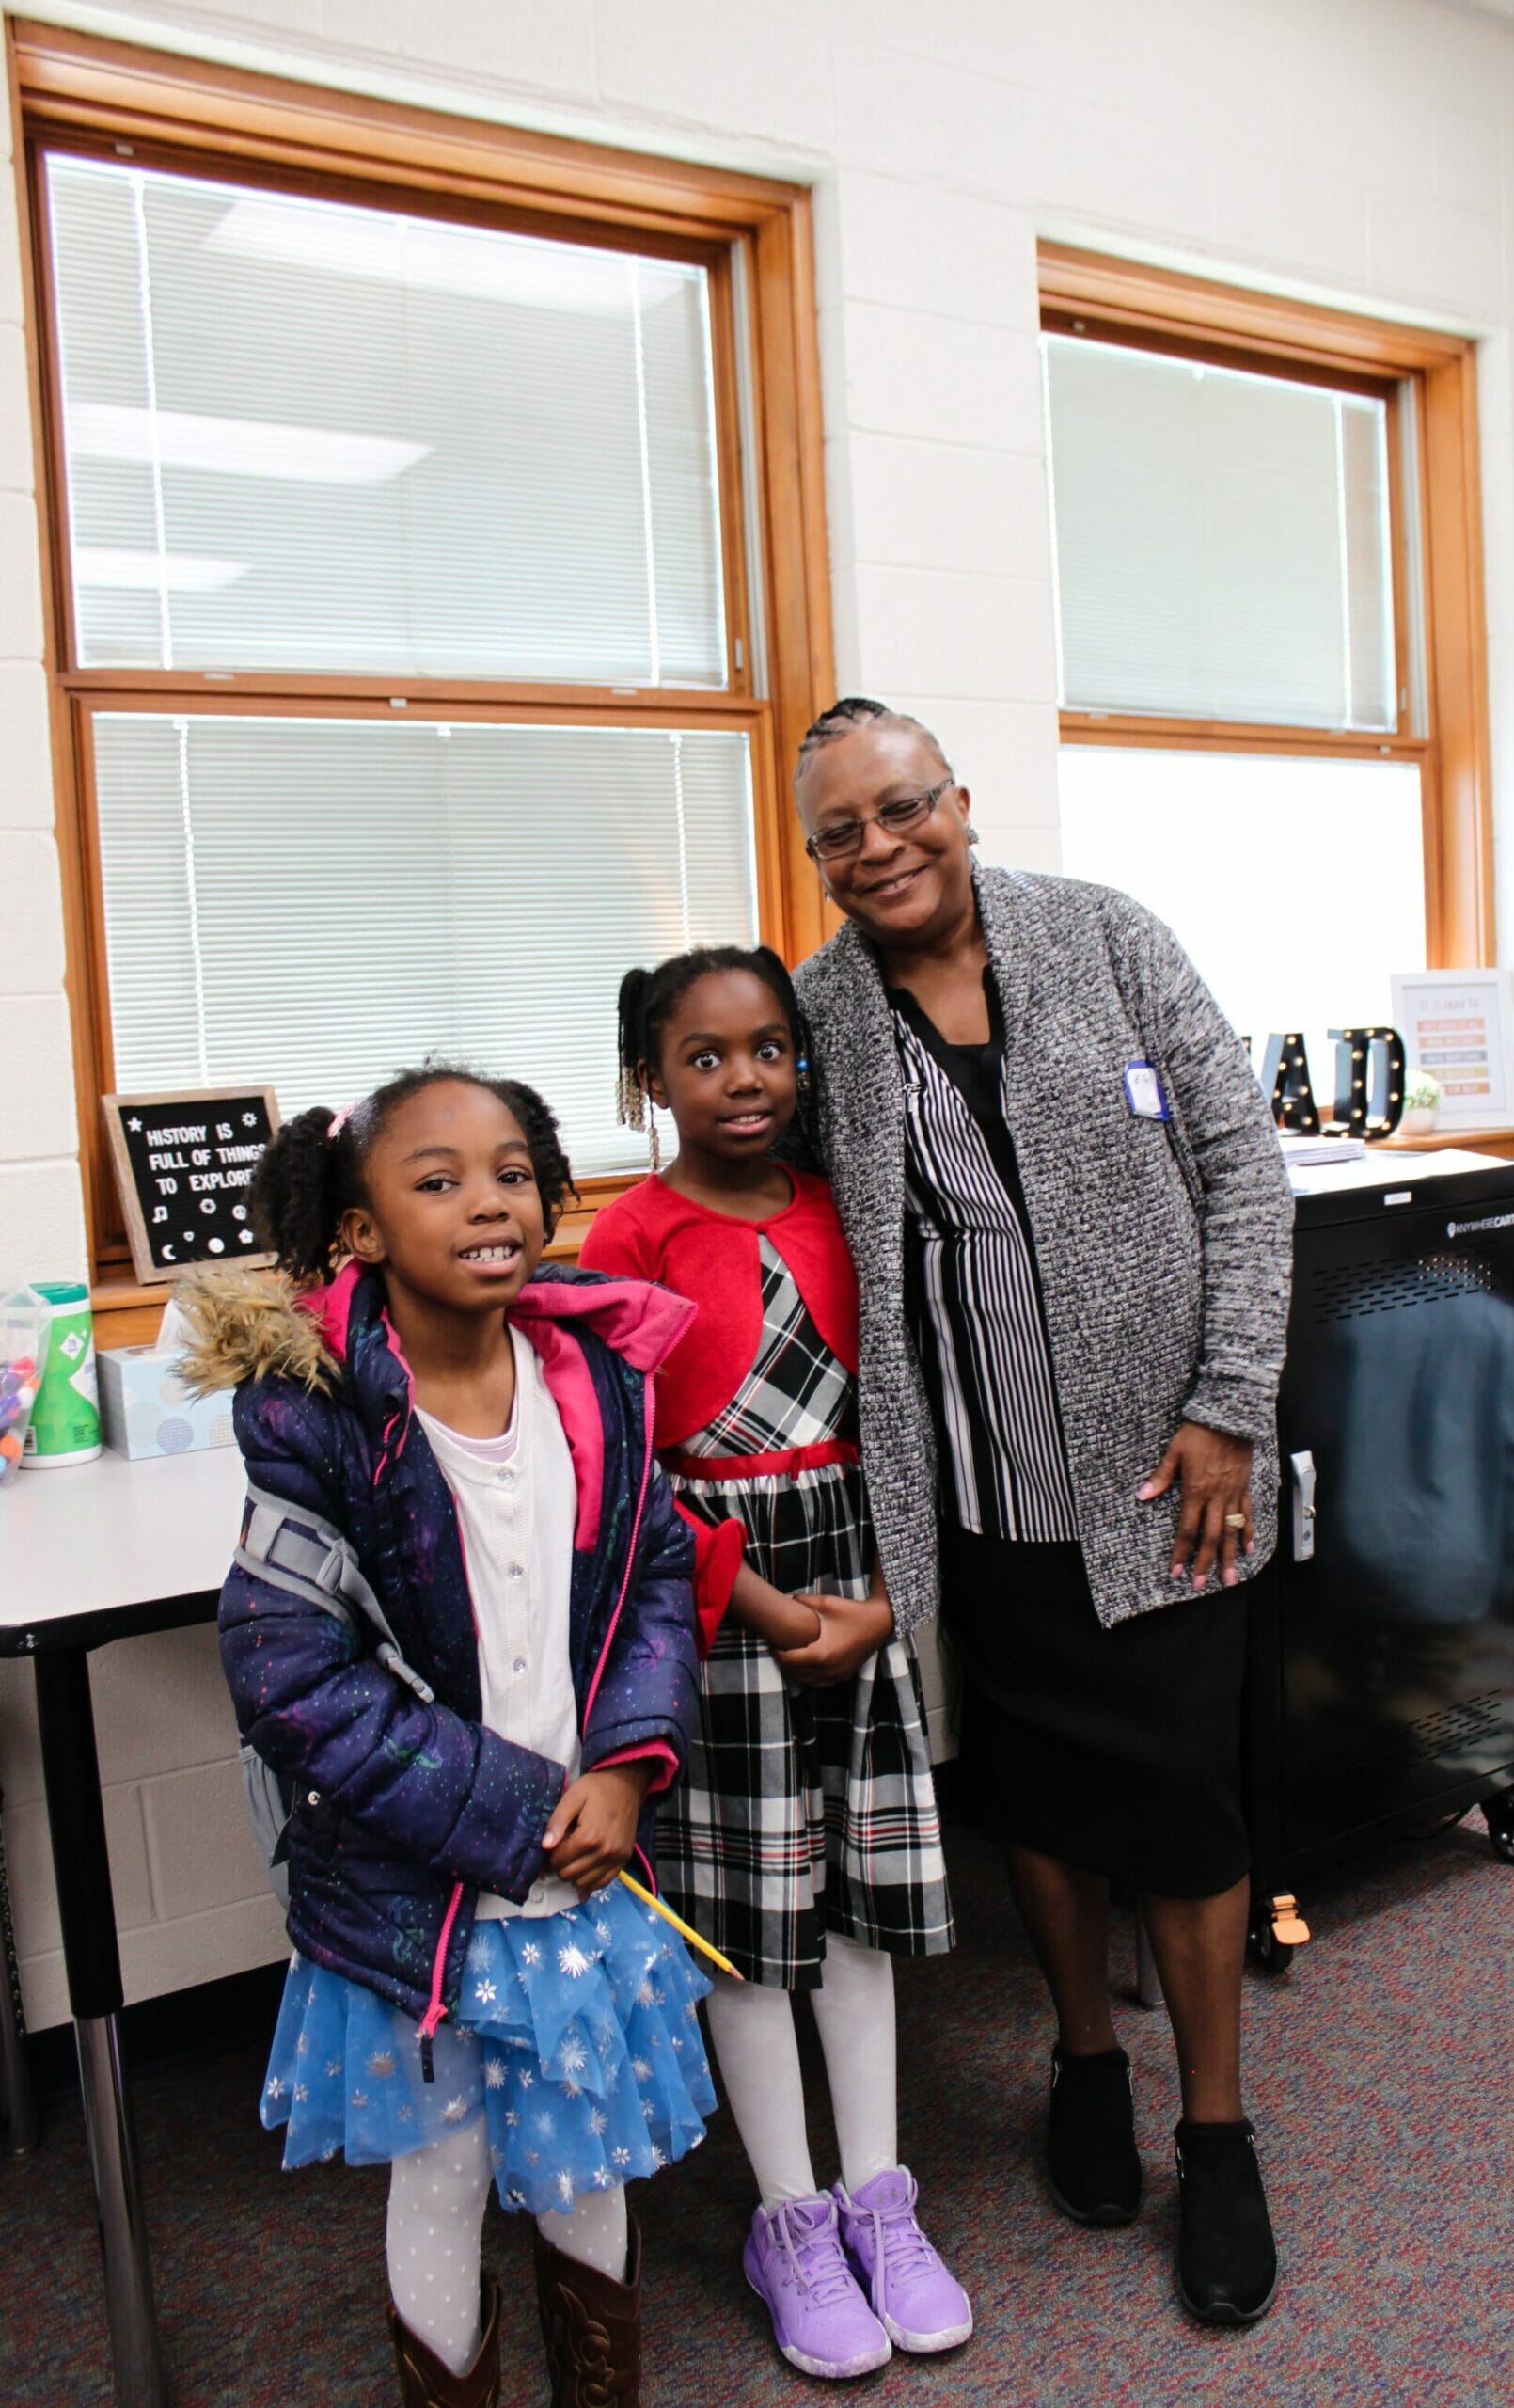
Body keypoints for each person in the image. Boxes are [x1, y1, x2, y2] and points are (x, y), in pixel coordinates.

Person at [785, 698, 1295, 2327]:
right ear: (818, 860)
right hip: (981, 1494)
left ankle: (1216, 2135)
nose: (881, 847)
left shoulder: (1105, 936)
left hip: (1168, 1488)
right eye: (843, 833)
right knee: (1042, 1801)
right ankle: (1084, 2062)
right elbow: (772, 1203)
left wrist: (1228, 1406)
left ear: (959, 800)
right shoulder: (821, 1011)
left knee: (1187, 1809)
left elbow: (1244, 1168)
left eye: (904, 808)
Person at [180, 1066, 717, 2408]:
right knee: (444, 2171)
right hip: (421, 1890)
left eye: (513, 1173)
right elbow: (292, 1682)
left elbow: (654, 1576)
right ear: (360, 1229)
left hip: (580, 1868)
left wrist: (625, 1765)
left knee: (588, 2162)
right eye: (439, 1181)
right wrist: (518, 1814)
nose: (489, 1202)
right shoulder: (312, 1418)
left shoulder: (595, 1378)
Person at [579, 946, 971, 2382]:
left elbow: (903, 1417)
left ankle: (880, 2201)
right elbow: (622, 1468)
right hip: (721, 1598)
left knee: (854, 1907)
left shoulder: (841, 1205)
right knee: (751, 1920)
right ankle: (793, 2221)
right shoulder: (627, 1239)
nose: (743, 1080)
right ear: (650, 1077)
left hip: (854, 1571)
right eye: (704, 1057)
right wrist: (760, 1609)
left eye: (768, 1050)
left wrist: (876, 1600)